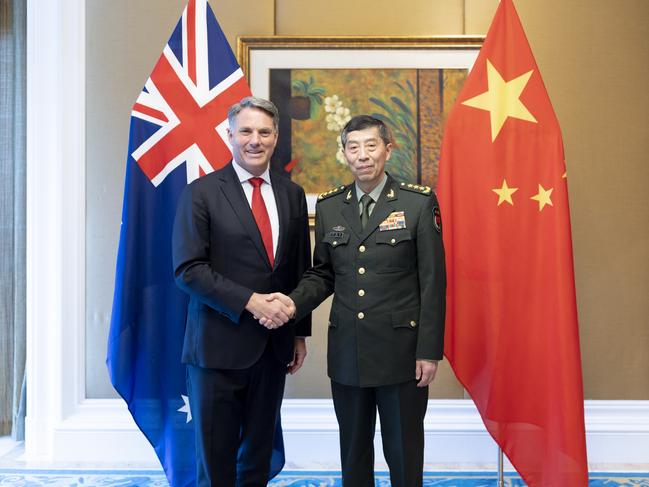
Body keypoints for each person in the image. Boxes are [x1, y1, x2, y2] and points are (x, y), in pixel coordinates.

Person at [266, 115, 446, 487]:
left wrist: (429, 350)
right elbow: (323, 274)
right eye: (353, 147)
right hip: (348, 351)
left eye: (371, 146)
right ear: (344, 154)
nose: (362, 155)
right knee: (353, 451)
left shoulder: (417, 203)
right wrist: (292, 304)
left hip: (401, 352)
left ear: (387, 149)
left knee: (404, 452)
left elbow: (433, 282)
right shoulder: (332, 206)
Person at [172, 96, 311, 487]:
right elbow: (188, 270)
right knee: (215, 463)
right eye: (246, 131)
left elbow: (299, 268)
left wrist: (299, 332)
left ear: (276, 137)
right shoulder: (200, 193)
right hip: (217, 347)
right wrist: (250, 302)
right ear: (229, 134)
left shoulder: (291, 194)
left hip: (273, 348)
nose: (255, 140)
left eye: (264, 132)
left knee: (257, 459)